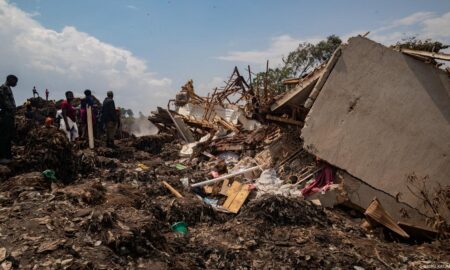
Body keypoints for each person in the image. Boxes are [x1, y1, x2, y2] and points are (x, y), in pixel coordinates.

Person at [0, 75, 18, 163]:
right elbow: (5, 102)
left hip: (9, 115)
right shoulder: (4, 87)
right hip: (6, 114)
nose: (16, 83)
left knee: (8, 136)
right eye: (15, 81)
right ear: (9, 79)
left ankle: (8, 156)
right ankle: (3, 157)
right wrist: (12, 110)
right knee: (4, 135)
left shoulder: (8, 88)